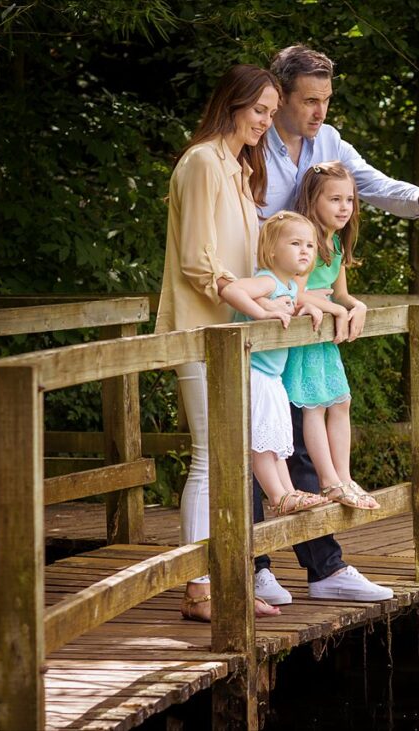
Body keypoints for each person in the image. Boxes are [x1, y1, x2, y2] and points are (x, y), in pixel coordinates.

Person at [252, 44, 419, 605]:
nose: (319, 112)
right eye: (308, 100)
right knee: (260, 438)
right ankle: (254, 567)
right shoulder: (252, 145)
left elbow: (370, 183)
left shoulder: (328, 143)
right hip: (258, 308)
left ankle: (324, 570)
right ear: (279, 100)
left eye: (326, 100)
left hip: (305, 316)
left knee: (293, 438)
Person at [155, 64, 288, 622]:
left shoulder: (237, 168)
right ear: (231, 104)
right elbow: (195, 261)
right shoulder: (203, 161)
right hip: (201, 326)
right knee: (211, 459)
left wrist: (280, 295)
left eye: (271, 114)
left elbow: (246, 258)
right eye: (259, 110)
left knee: (231, 459)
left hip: (233, 332)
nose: (265, 122)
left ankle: (228, 580)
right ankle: (198, 588)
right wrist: (251, 300)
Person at [219, 211, 331, 516]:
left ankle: (288, 492)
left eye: (309, 245)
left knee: (276, 441)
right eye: (296, 243)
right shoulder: (267, 281)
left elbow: (293, 305)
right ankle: (277, 495)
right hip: (255, 373)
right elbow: (231, 290)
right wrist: (262, 313)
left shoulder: (290, 286)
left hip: (273, 376)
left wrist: (307, 306)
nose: (305, 250)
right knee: (262, 443)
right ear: (271, 251)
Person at [287, 162, 380, 510]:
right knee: (314, 407)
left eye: (350, 200)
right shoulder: (304, 241)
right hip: (305, 335)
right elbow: (292, 294)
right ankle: (328, 481)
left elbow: (340, 293)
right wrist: (335, 310)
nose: (344, 208)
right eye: (335, 199)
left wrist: (357, 307)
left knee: (341, 402)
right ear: (313, 201)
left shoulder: (336, 244)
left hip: (324, 339)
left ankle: (344, 475)